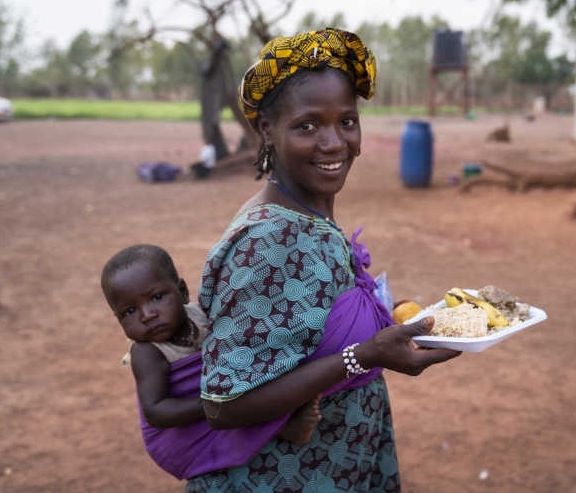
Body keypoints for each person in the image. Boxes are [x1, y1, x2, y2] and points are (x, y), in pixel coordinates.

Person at [189, 28, 461, 492]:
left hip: (334, 467)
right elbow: (222, 405)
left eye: (347, 121)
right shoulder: (271, 240)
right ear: (267, 130)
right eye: (308, 125)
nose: (335, 143)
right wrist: (366, 355)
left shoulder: (305, 216)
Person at [101, 244, 324, 480]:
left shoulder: (201, 314)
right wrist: (218, 404)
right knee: (240, 409)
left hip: (208, 407)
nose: (147, 315)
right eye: (130, 311)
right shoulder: (147, 352)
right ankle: (281, 430)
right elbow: (156, 412)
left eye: (157, 297)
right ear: (118, 319)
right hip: (178, 436)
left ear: (183, 291)